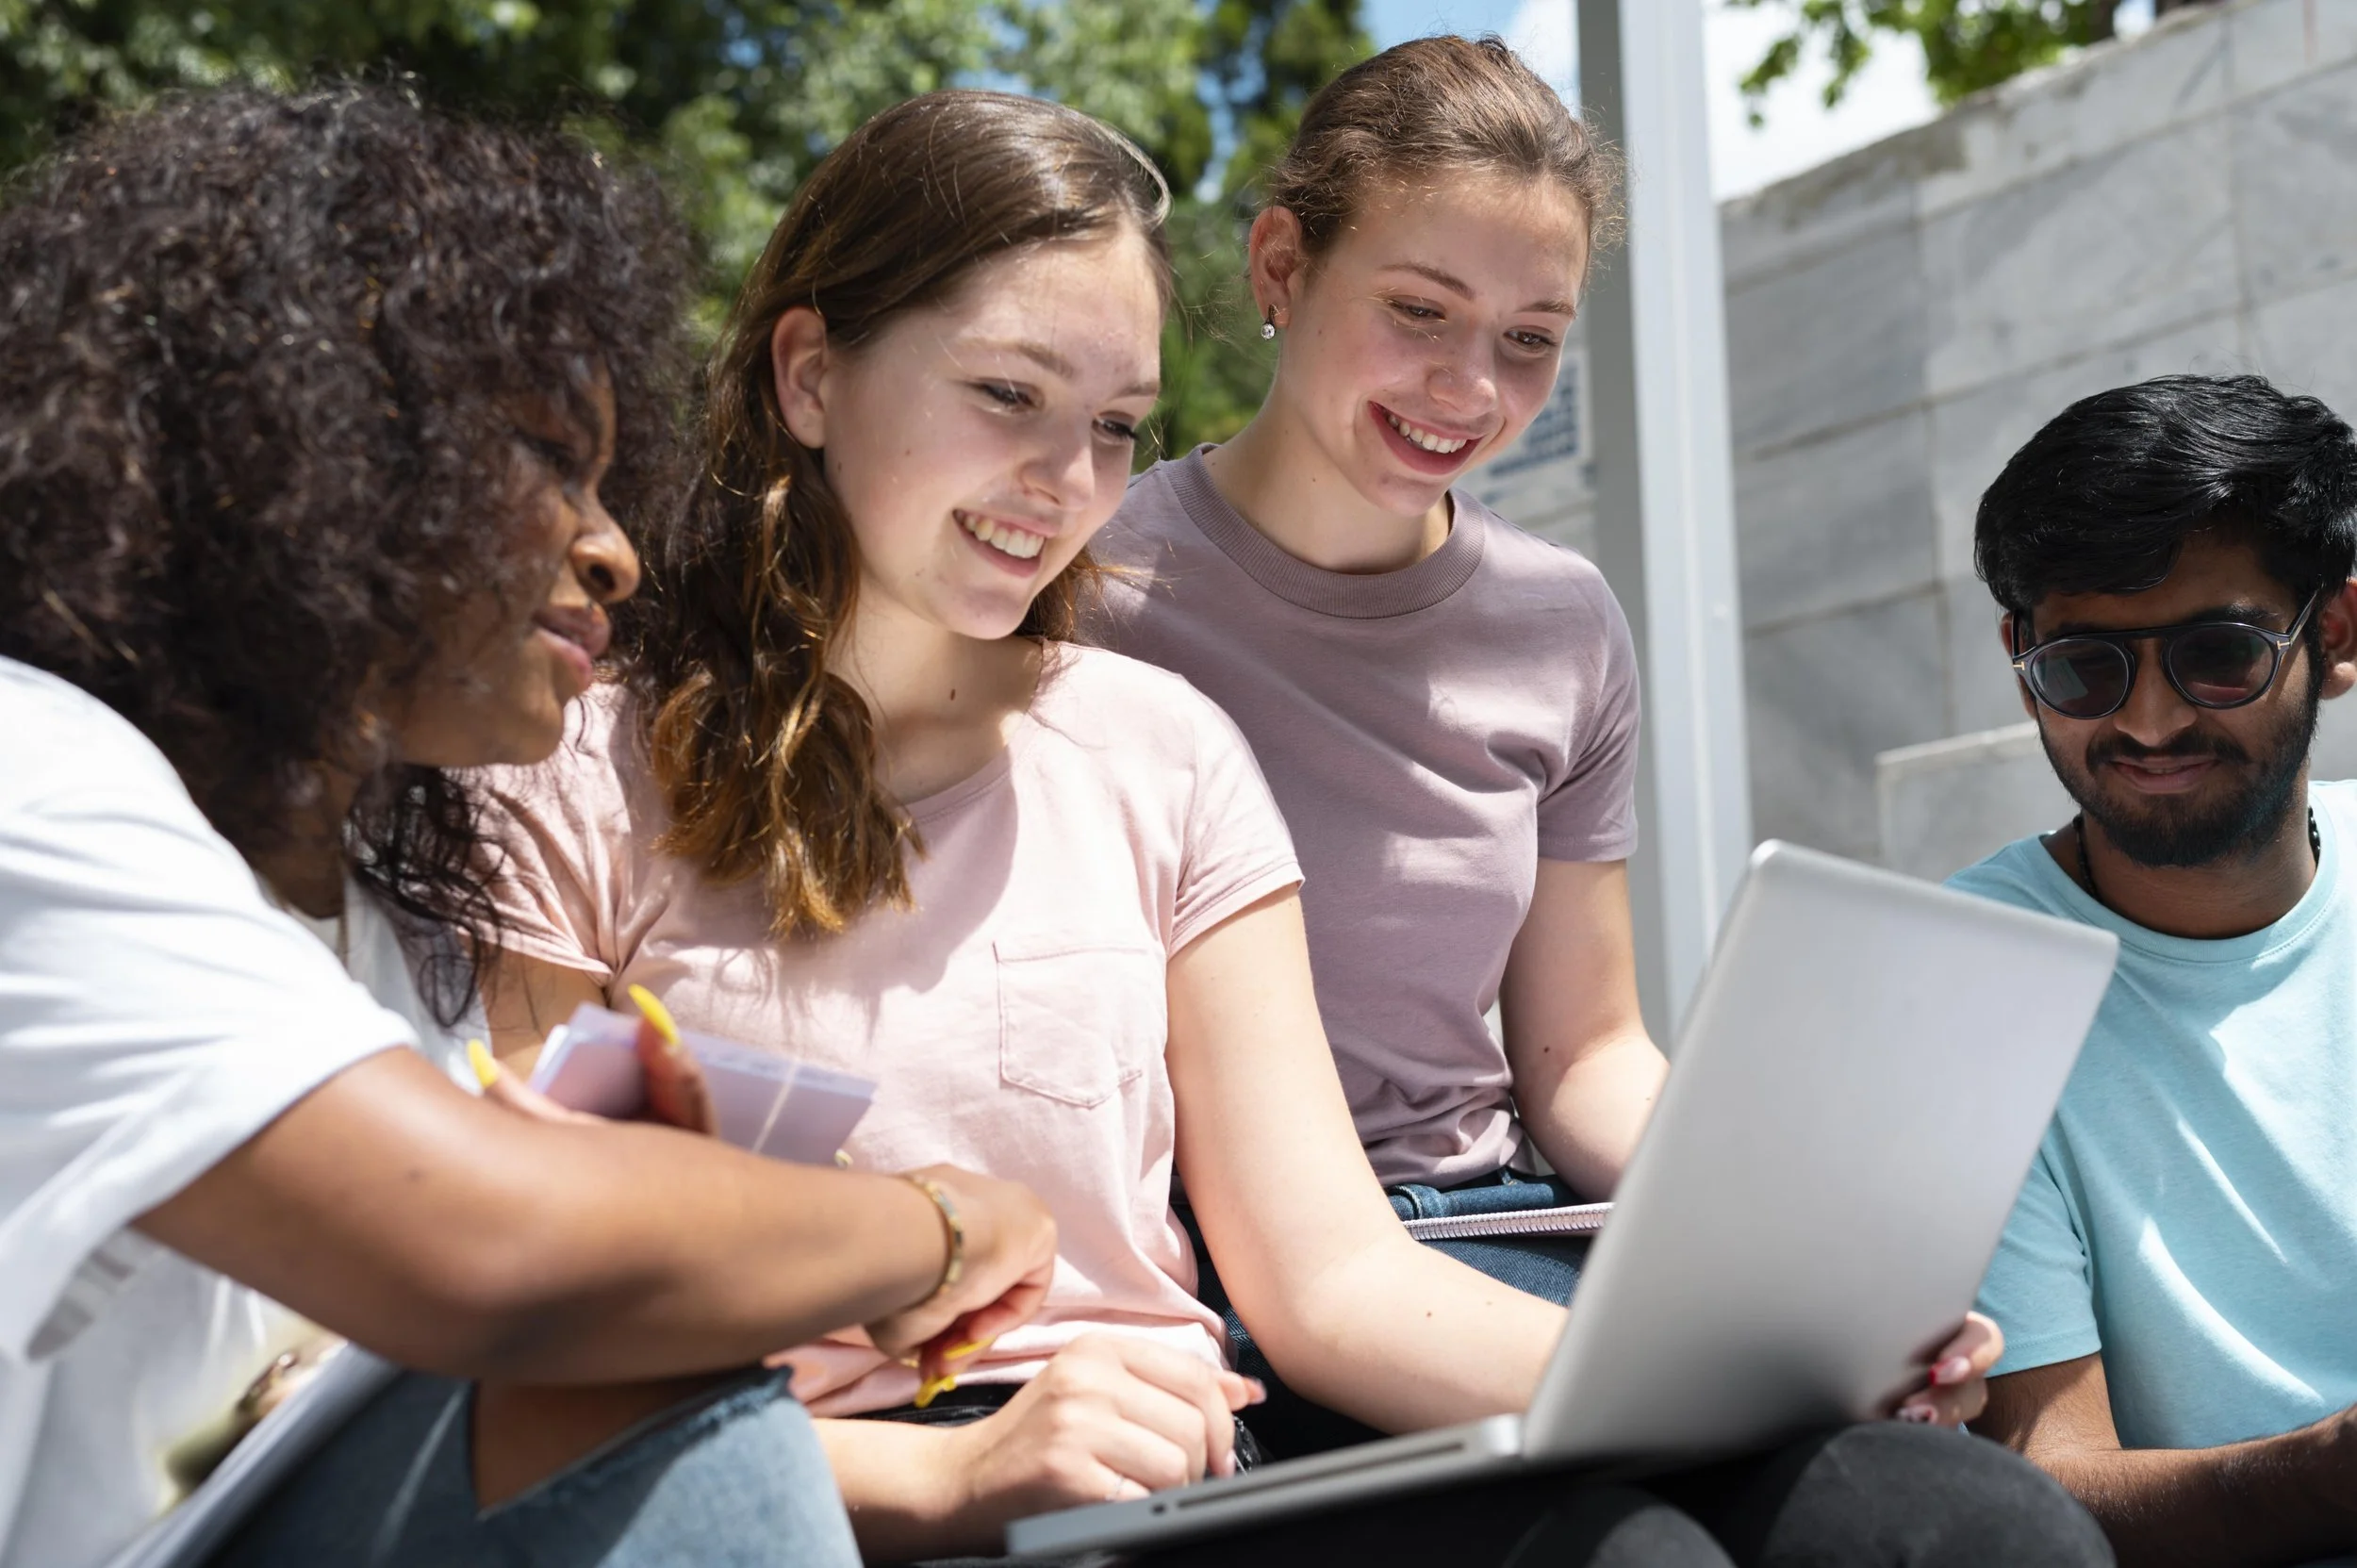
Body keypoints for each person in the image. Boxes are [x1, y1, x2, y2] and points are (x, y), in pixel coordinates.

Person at [477, 85, 2106, 1568]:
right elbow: (526, 1333)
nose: (1060, 479)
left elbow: (1341, 1258)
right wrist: (944, 1473)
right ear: (810, 373)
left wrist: (1766, 1356)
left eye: (1111, 424)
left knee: (1973, 1531)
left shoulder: (1165, 746)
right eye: (1007, 392)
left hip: (1201, 1431)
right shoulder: (572, 769)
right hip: (865, 1475)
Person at [0, 84, 1057, 1568]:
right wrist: (936, 1225)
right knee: (633, 1354)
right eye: (548, 460)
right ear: (300, 438)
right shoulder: (33, 782)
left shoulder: (379, 922)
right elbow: (502, 1249)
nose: (615, 548)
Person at [1081, 36, 1652, 1325]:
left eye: (1530, 337)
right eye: (1418, 311)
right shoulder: (1081, 582)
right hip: (1212, 1265)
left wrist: (1773, 1213)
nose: (1471, 387)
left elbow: (1586, 1051)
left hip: (1497, 1221)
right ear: (1281, 266)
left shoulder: (1563, 625)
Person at [1952, 373, 2357, 1568]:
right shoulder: (1955, 989)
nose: (2146, 722)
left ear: (2335, 634)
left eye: (2216, 656)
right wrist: (2329, 1473)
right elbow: (2050, 1486)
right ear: (2019, 655)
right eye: (2083, 667)